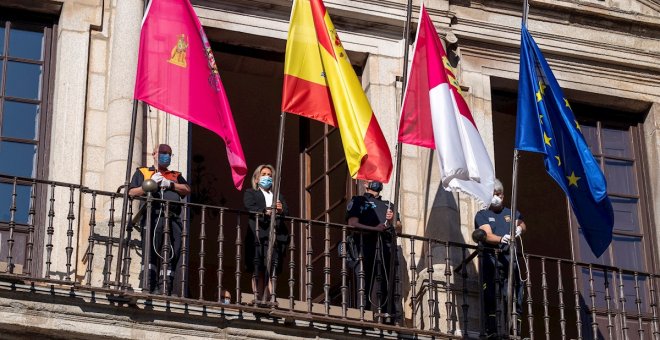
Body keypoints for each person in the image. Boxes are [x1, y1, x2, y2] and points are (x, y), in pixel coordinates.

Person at [129, 144, 190, 295]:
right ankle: (148, 285)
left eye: (169, 154)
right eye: (163, 153)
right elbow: (131, 192)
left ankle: (165, 287)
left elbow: (187, 189)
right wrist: (148, 186)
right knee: (150, 249)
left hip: (173, 218)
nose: (166, 156)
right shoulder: (143, 172)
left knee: (170, 252)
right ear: (154, 154)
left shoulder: (175, 175)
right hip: (153, 216)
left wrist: (169, 184)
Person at [474, 178, 526, 338]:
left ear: (503, 195)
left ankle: (514, 331)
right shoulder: (483, 214)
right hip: (492, 263)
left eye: (499, 194)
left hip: (511, 262)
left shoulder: (510, 213)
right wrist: (501, 239)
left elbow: (522, 223)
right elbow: (486, 234)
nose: (496, 197)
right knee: (492, 297)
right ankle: (493, 330)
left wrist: (519, 229)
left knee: (515, 298)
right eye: (493, 194)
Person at [346, 180, 398, 317]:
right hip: (364, 245)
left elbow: (398, 226)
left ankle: (387, 316)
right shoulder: (358, 200)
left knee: (386, 281)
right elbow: (352, 223)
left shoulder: (388, 205)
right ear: (365, 183)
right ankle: (363, 315)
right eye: (371, 179)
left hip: (385, 247)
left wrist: (392, 220)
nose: (376, 182)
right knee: (364, 281)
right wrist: (374, 229)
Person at [243, 164, 289, 304]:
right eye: (264, 174)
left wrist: (281, 210)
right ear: (256, 178)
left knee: (272, 269)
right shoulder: (251, 192)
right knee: (259, 268)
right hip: (258, 234)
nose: (267, 177)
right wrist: (265, 211)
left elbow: (287, 212)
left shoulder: (278, 196)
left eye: (269, 175)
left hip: (274, 236)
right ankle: (258, 298)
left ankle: (270, 298)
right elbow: (249, 206)